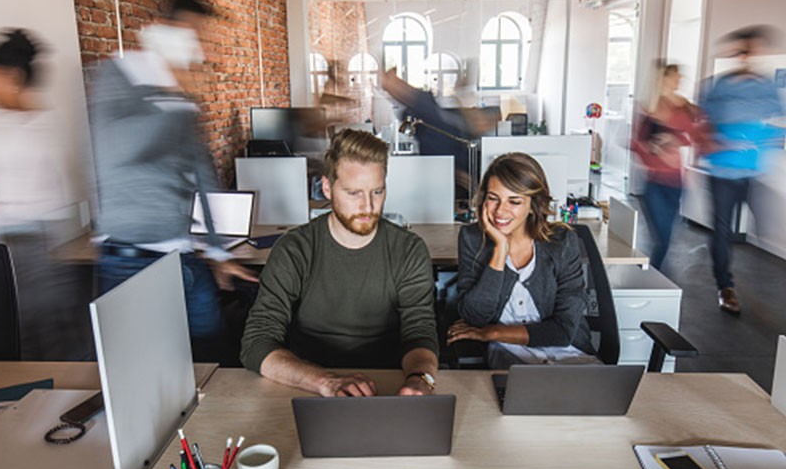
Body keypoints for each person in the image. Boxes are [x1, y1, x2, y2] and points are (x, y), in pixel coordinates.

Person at [90, 0, 255, 362]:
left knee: (214, 358)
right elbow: (126, 151)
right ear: (170, 29)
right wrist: (171, 94)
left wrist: (216, 250)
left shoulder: (180, 98)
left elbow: (203, 174)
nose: (202, 51)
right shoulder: (117, 75)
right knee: (141, 366)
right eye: (198, 37)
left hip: (184, 254)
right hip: (129, 259)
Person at [240, 129, 439, 397]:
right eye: (353, 193)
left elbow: (420, 332)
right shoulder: (294, 250)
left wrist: (420, 378)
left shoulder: (408, 249)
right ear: (326, 188)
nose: (368, 206)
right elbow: (256, 343)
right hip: (307, 385)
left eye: (377, 191)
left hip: (388, 387)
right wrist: (326, 382)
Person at [446, 152, 598, 369]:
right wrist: (500, 249)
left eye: (514, 201)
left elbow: (563, 330)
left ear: (533, 204)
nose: (500, 211)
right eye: (493, 198)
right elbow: (475, 317)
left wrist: (493, 332)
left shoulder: (562, 243)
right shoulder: (472, 239)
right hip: (510, 357)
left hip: (571, 356)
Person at [0, 29, 82, 359]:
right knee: (28, 332)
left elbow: (56, 194)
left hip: (31, 242)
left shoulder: (38, 125)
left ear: (13, 77)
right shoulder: (5, 122)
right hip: (13, 240)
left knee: (42, 332)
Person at [698, 25, 785, 315]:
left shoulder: (766, 87)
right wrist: (718, 141)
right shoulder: (718, 86)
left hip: (752, 172)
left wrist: (771, 137)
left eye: (753, 51)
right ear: (737, 54)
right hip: (722, 173)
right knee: (721, 231)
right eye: (743, 52)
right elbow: (702, 124)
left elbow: (777, 122)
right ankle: (725, 287)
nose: (748, 57)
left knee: (766, 222)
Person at [631, 62, 710, 271]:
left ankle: (650, 274)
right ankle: (649, 274)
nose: (679, 81)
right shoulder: (649, 107)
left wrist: (675, 141)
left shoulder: (682, 108)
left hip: (676, 182)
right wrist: (653, 150)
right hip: (654, 182)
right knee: (661, 234)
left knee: (664, 237)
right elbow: (635, 143)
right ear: (663, 79)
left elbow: (695, 136)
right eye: (675, 76)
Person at [380, 66, 498, 196]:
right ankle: (393, 84)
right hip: (443, 166)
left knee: (432, 112)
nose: (479, 119)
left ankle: (392, 84)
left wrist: (459, 175)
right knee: (433, 113)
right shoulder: (459, 128)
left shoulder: (472, 143)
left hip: (447, 177)